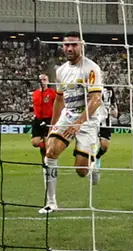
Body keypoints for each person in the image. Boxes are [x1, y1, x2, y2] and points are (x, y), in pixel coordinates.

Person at [40, 32, 104, 214]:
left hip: (88, 120)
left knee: (81, 170)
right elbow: (59, 100)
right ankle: (51, 202)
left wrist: (78, 123)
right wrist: (52, 126)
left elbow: (95, 100)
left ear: (81, 46)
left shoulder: (91, 69)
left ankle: (93, 165)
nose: (69, 48)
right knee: (50, 152)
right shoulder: (61, 71)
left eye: (74, 45)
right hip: (68, 116)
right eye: (66, 45)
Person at [30, 74, 56, 160]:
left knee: (47, 143)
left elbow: (57, 106)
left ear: (48, 81)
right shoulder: (35, 93)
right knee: (35, 142)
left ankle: (46, 163)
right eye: (41, 79)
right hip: (37, 120)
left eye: (44, 79)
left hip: (48, 120)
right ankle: (43, 148)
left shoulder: (52, 93)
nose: (42, 81)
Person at [95, 85, 117, 178]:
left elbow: (113, 104)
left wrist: (114, 110)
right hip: (94, 119)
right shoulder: (92, 86)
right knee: (93, 143)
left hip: (106, 122)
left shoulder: (109, 89)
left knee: (104, 145)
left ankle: (97, 157)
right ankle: (92, 166)